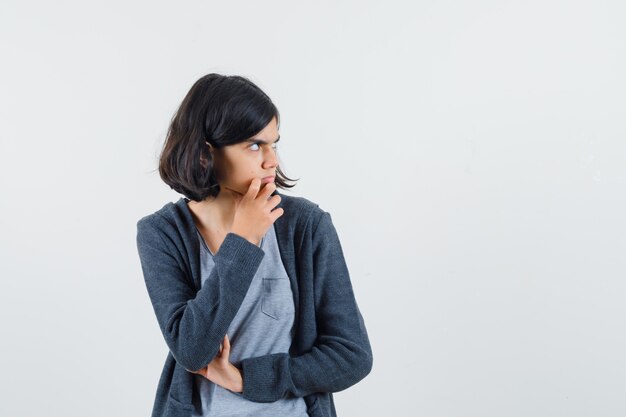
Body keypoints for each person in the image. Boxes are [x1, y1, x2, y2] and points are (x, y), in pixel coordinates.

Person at [136, 73, 373, 417]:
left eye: (273, 143)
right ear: (206, 152)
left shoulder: (305, 226)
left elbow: (352, 356)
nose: (271, 160)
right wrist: (243, 240)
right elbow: (191, 349)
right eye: (254, 145)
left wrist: (248, 379)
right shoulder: (161, 234)